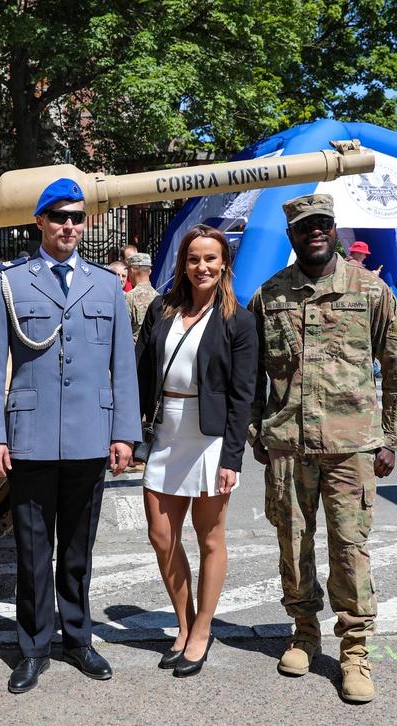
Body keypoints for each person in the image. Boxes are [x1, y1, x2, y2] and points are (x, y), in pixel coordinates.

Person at [0, 178, 141, 694]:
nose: (68, 226)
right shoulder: (10, 281)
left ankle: (78, 638)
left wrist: (125, 435)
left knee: (77, 549)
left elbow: (124, 366)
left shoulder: (106, 284)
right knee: (31, 547)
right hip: (30, 436)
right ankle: (32, 647)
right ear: (40, 223)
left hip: (91, 435)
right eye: (58, 217)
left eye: (76, 218)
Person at [248, 193, 397, 704]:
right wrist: (259, 432)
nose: (314, 232)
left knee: (349, 549)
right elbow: (248, 374)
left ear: (335, 229)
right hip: (290, 447)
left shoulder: (371, 291)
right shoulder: (269, 295)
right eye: (303, 226)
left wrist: (391, 438)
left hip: (352, 447)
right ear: (292, 236)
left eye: (322, 224)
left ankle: (355, 651)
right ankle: (304, 631)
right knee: (293, 545)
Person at [135, 225, 257, 677]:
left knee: (210, 539)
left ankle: (201, 630)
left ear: (223, 263)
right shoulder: (161, 309)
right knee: (161, 535)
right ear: (183, 264)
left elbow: (243, 395)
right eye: (193, 259)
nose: (201, 267)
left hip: (209, 440)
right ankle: (182, 624)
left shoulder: (237, 320)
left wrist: (232, 459)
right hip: (165, 431)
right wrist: (130, 435)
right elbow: (140, 371)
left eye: (210, 258)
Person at [124, 252, 160, 341]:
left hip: (135, 352)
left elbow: (123, 329)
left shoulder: (130, 297)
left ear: (131, 271)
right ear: (150, 272)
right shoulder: (159, 297)